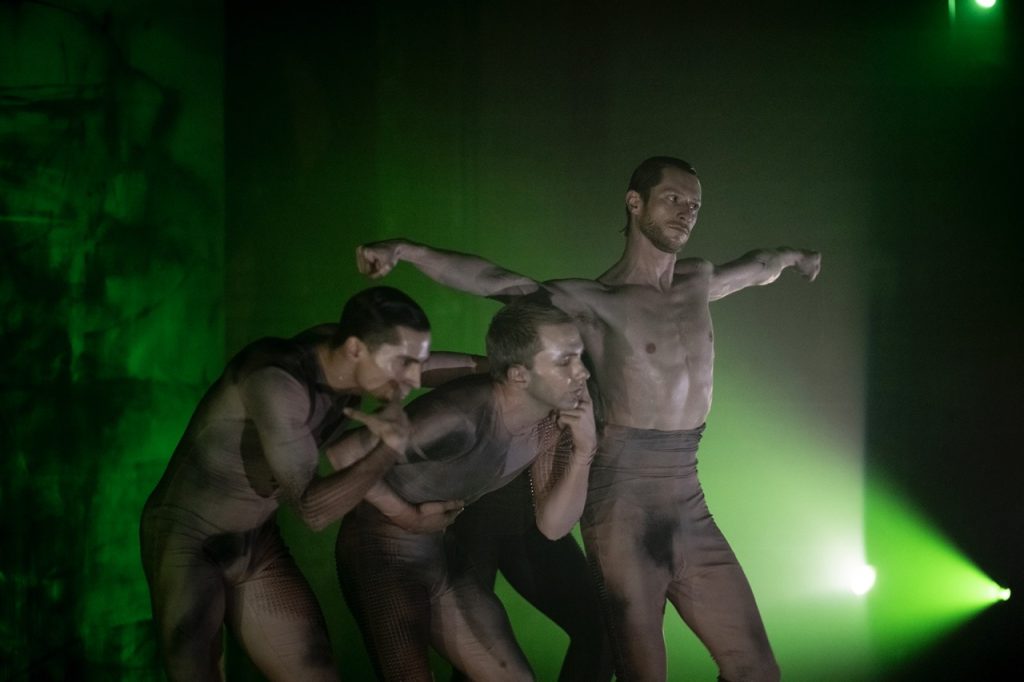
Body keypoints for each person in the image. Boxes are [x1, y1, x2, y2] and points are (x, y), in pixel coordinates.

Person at [355, 156, 822, 682]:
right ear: (634, 202)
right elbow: (495, 280)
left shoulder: (698, 281)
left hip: (688, 495)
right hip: (622, 498)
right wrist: (406, 250)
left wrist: (798, 256)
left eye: (694, 204)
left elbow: (759, 266)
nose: (686, 211)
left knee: (757, 667)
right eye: (673, 198)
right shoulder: (590, 302)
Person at [139, 286, 464, 682]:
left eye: (419, 362)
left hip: (257, 543)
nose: (413, 378)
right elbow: (312, 510)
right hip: (190, 539)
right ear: (356, 349)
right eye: (404, 364)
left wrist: (501, 368)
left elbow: (419, 367)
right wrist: (386, 451)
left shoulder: (346, 354)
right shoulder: (276, 381)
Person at [332, 300, 596, 682]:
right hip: (380, 548)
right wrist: (404, 514)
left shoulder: (551, 421)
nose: (583, 372)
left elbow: (554, 526)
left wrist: (585, 451)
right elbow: (345, 453)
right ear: (520, 376)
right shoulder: (464, 412)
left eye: (580, 358)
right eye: (565, 361)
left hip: (438, 550)